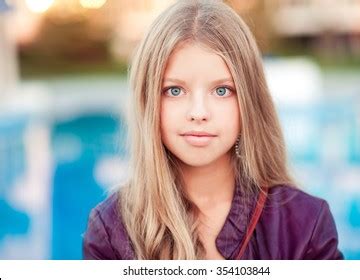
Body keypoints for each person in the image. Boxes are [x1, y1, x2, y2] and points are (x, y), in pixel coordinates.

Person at [82, 0, 344, 260]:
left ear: (249, 102)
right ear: (148, 100)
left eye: (222, 91)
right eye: (175, 90)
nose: (199, 112)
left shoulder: (306, 224)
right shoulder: (110, 230)